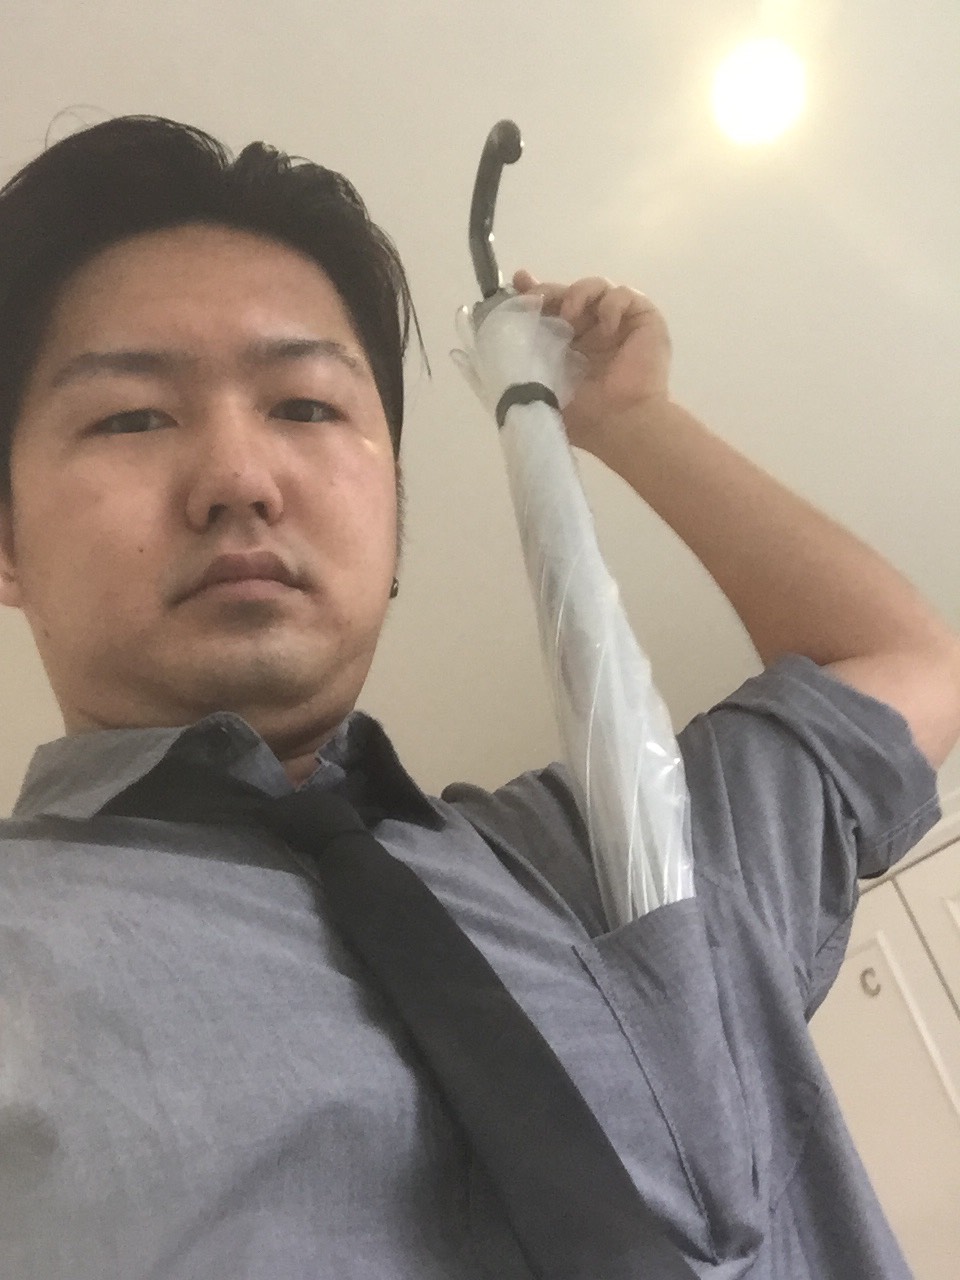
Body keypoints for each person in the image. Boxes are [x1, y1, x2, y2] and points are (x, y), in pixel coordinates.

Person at [0, 114, 957, 1280]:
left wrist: (628, 421)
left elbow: (900, 664)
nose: (239, 479)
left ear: (392, 508)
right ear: (8, 538)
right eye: (132, 416)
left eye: (305, 405)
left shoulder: (614, 851)